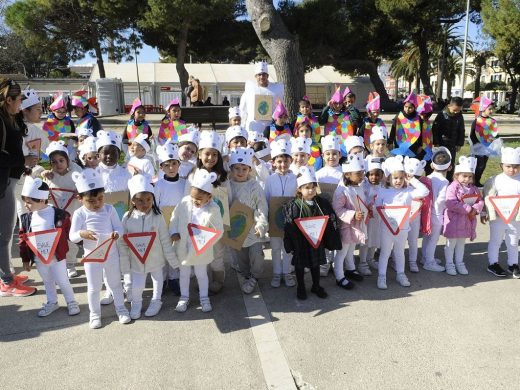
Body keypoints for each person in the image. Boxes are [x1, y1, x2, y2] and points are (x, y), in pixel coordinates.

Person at [70, 168, 131, 329]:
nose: (97, 203)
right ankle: (95, 314)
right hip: (92, 257)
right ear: (80, 198)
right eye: (91, 201)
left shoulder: (109, 209)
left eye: (100, 198)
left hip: (111, 254)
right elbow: (72, 236)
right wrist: (82, 233)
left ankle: (121, 308)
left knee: (115, 283)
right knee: (93, 287)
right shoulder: (79, 214)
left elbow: (120, 228)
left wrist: (116, 234)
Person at [18, 177, 80, 316]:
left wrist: (83, 239)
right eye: (25, 202)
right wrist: (25, 259)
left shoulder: (60, 215)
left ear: (41, 200)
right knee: (47, 281)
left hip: (57, 257)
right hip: (39, 258)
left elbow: (70, 233)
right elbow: (23, 239)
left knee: (63, 280)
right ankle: (52, 302)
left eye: (29, 202)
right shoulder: (27, 218)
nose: (26, 205)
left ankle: (71, 302)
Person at [119, 174, 177, 319]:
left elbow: (164, 239)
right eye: (140, 201)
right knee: (137, 284)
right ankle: (137, 303)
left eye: (148, 200)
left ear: (153, 199)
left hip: (156, 258)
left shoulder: (158, 216)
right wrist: (124, 264)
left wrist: (172, 260)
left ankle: (156, 300)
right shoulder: (127, 217)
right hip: (137, 261)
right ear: (133, 201)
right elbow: (122, 241)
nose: (145, 204)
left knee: (158, 279)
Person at [0, 78, 38, 297]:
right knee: (4, 234)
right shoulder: (1, 121)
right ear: (8, 100)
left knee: (6, 231)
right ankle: (6, 282)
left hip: (8, 181)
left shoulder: (10, 118)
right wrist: (22, 160)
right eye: (19, 98)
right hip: (2, 184)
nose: (21, 101)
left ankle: (6, 274)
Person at [283, 166, 341, 299]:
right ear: (299, 189)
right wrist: (291, 244)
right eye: (306, 187)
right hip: (300, 242)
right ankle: (301, 287)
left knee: (316, 264)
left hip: (316, 240)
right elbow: (289, 226)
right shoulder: (293, 205)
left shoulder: (321, 203)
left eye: (313, 187)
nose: (310, 190)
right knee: (300, 265)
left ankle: (316, 286)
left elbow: (329, 218)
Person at [170, 168, 224, 313]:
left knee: (201, 273)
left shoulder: (214, 209)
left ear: (209, 197)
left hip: (201, 248)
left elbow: (219, 230)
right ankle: (184, 297)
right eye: (193, 197)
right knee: (184, 273)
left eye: (199, 199)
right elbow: (174, 218)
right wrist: (174, 231)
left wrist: (205, 240)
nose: (195, 201)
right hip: (184, 245)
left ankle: (204, 297)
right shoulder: (184, 202)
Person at [186, 130, 230, 293]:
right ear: (199, 155)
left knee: (217, 252)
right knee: (201, 252)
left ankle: (219, 278)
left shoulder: (223, 177)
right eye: (207, 154)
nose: (210, 158)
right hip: (197, 221)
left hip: (216, 222)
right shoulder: (192, 175)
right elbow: (186, 197)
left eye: (214, 155)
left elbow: (228, 198)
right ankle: (203, 278)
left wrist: (227, 220)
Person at [375, 156, 429, 289]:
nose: (398, 181)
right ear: (388, 178)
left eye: (401, 177)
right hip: (387, 228)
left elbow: (425, 191)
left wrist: (412, 180)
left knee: (399, 252)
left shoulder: (408, 191)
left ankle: (400, 274)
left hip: (403, 228)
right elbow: (377, 208)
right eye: (395, 178)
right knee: (385, 252)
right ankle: (381, 276)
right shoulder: (383, 191)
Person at [228, 148, 269, 294]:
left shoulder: (254, 185)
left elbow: (262, 205)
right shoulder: (228, 185)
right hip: (237, 228)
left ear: (249, 169)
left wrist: (262, 224)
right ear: (231, 169)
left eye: (244, 168)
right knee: (241, 255)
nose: (240, 172)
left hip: (253, 227)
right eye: (237, 168)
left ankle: (255, 276)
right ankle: (246, 274)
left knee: (256, 253)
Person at [42, 141, 82, 278]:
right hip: (55, 216)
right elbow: (44, 193)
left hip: (72, 213)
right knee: (56, 239)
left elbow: (83, 190)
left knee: (71, 239)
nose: (58, 164)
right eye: (54, 162)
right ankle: (58, 262)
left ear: (67, 160)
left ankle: (70, 263)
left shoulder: (76, 174)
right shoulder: (49, 176)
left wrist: (79, 193)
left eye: (61, 160)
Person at [482, 147, 520, 278]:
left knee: (513, 241)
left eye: (516, 166)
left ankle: (513, 264)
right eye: (508, 166)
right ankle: (493, 263)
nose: (512, 169)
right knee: (495, 240)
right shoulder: (495, 180)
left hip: (515, 218)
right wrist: (483, 213)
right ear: (501, 165)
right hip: (498, 217)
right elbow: (487, 196)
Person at [443, 156, 483, 275]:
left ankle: (459, 262)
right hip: (454, 220)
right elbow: (450, 203)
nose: (467, 179)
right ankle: (449, 263)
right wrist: (468, 208)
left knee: (461, 243)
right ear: (457, 175)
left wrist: (476, 209)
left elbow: (479, 201)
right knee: (451, 243)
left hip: (466, 221)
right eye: (464, 176)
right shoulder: (452, 187)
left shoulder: (474, 189)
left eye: (470, 176)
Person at [332, 153, 368, 290]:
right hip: (346, 225)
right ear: (347, 175)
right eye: (358, 173)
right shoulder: (342, 190)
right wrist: (353, 215)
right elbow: (337, 208)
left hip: (356, 224)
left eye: (363, 173)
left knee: (352, 248)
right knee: (342, 251)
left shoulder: (358, 186)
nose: (362, 176)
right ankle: (339, 276)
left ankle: (350, 268)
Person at [154, 141, 185, 295]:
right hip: (163, 223)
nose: (171, 168)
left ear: (179, 164)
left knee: (175, 251)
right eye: (167, 165)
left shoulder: (185, 183)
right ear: (161, 167)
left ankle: (173, 278)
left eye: (174, 164)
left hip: (179, 223)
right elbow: (155, 205)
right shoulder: (158, 185)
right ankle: (162, 279)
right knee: (163, 251)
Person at [265, 139, 297, 288]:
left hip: (290, 219)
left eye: (285, 161)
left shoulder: (295, 178)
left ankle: (287, 272)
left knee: (288, 248)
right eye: (279, 161)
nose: (282, 165)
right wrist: (266, 216)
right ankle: (277, 273)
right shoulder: (270, 179)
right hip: (274, 219)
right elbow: (266, 197)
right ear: (273, 162)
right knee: (276, 247)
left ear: (290, 161)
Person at [421, 147, 452, 272]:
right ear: (449, 167)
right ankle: (429, 262)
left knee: (426, 237)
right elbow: (441, 199)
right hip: (436, 213)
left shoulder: (428, 176)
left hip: (426, 212)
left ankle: (425, 257)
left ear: (432, 165)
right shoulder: (444, 181)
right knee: (433, 239)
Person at [240, 61, 284, 134]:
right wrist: (242, 125)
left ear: (267, 76)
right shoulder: (250, 90)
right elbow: (243, 109)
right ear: (256, 76)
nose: (261, 77)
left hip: (270, 128)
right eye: (259, 75)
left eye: (264, 74)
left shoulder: (276, 90)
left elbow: (281, 108)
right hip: (253, 128)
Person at [432, 96, 465, 181]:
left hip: (453, 144)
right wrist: (436, 142)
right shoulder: (441, 115)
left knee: (451, 163)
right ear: (449, 106)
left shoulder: (460, 116)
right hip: (442, 144)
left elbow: (461, 130)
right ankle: (438, 179)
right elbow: (435, 129)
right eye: (454, 110)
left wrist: (459, 143)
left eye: (459, 110)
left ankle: (449, 181)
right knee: (440, 161)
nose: (456, 112)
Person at [469, 96, 499, 187]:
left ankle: (477, 180)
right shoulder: (477, 121)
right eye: (489, 109)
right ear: (483, 109)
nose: (491, 111)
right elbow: (472, 134)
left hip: (488, 147)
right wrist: (477, 145)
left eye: (492, 109)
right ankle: (473, 181)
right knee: (479, 165)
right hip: (479, 148)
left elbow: (495, 134)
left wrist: (497, 141)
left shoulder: (493, 121)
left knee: (483, 165)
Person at [388, 92, 423, 158]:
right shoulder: (399, 116)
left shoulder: (418, 118)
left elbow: (421, 133)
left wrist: (420, 145)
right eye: (405, 107)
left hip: (413, 146)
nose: (407, 109)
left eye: (410, 107)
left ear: (414, 108)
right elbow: (393, 130)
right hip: (399, 145)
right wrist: (390, 142)